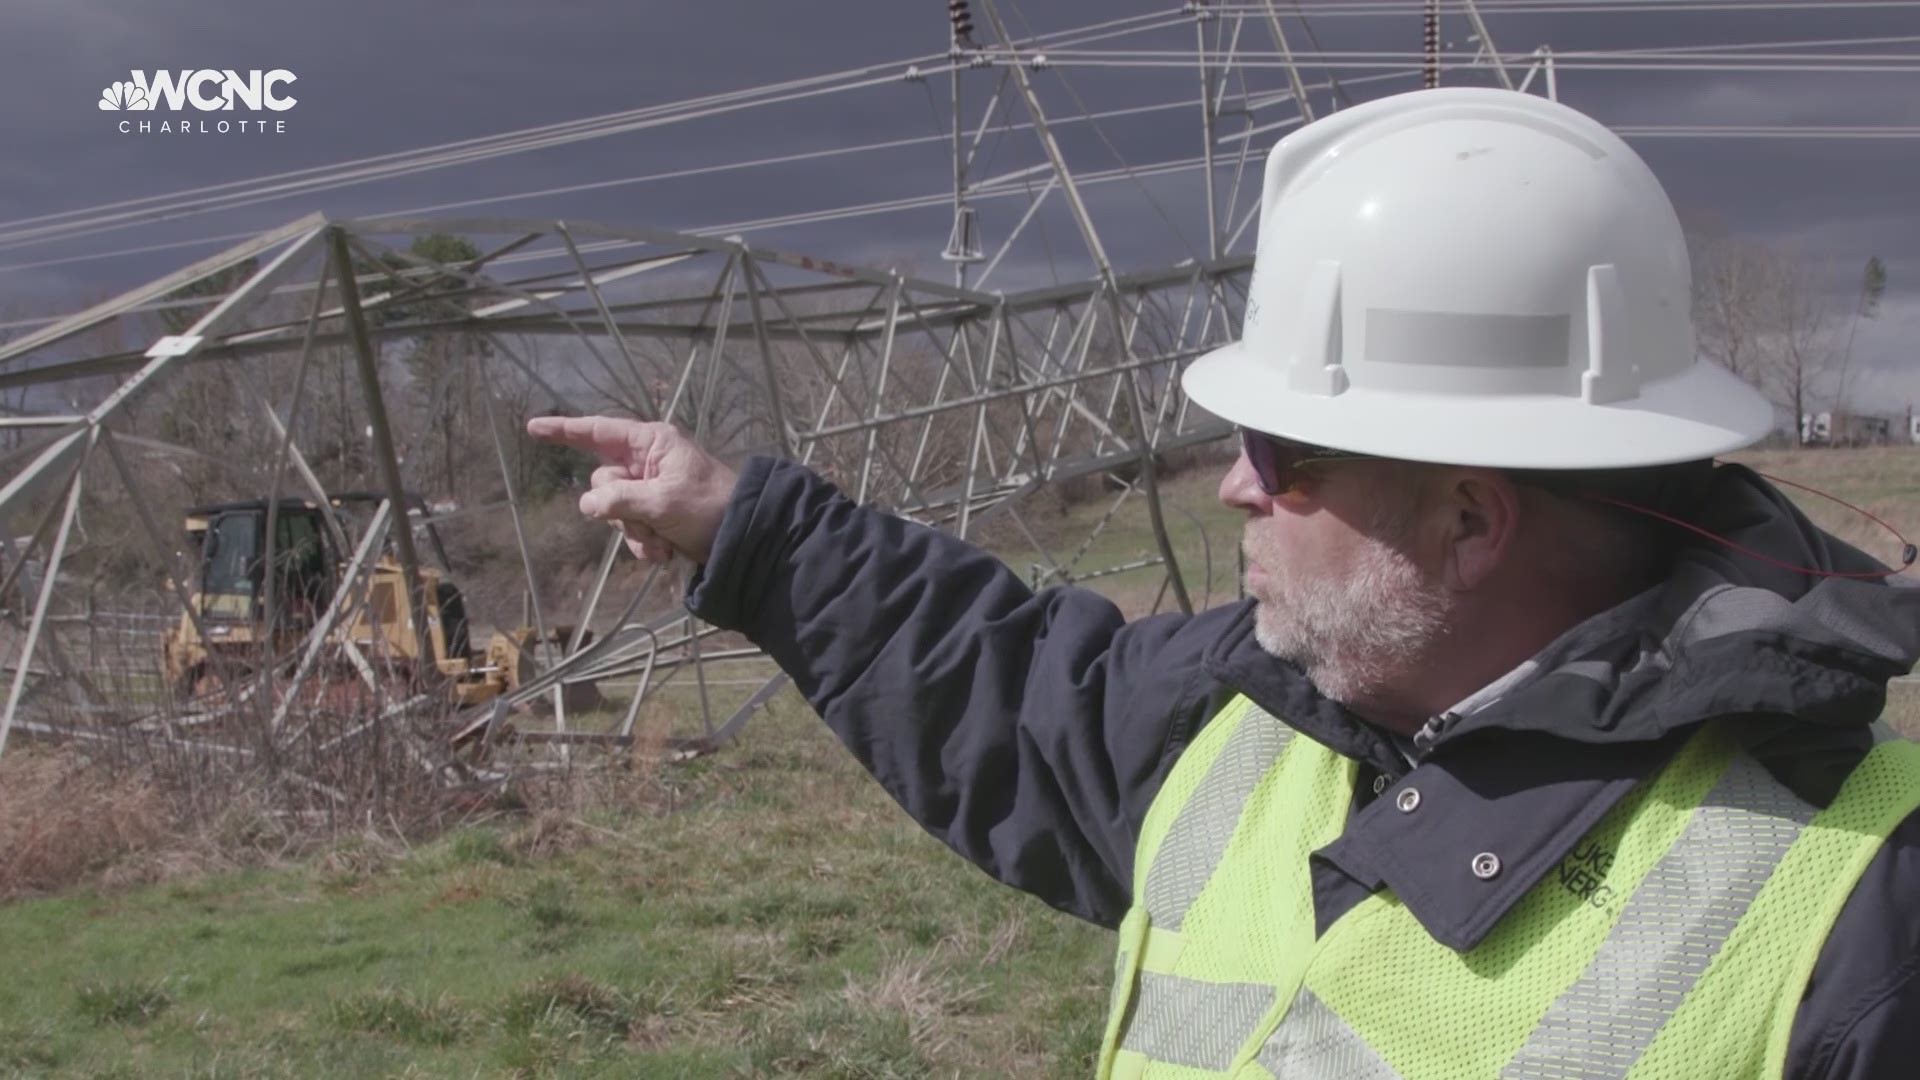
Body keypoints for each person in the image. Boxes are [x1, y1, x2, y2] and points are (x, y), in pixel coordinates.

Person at [530, 88, 1920, 1078]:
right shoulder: (1252, 711)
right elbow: (1010, 691)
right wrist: (742, 528)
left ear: (1468, 521)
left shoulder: (1864, 910)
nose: (1232, 486)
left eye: (1280, 450)